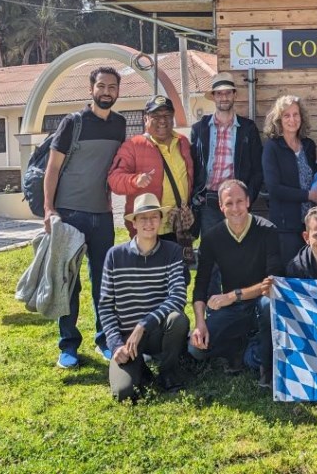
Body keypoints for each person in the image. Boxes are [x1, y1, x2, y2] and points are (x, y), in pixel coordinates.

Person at [42, 65, 126, 368]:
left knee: (104, 282)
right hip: (70, 214)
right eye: (101, 86)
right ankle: (68, 345)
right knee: (69, 282)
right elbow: (52, 169)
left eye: (112, 87)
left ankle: (105, 339)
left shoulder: (119, 125)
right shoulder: (72, 123)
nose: (106, 92)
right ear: (91, 89)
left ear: (118, 91)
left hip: (103, 215)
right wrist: (49, 209)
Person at [98, 194, 189, 402]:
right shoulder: (114, 255)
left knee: (178, 319)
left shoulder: (173, 252)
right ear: (134, 223)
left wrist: (143, 325)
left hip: (157, 332)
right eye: (143, 218)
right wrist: (115, 345)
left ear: (160, 220)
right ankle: (140, 369)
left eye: (154, 217)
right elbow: (105, 306)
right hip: (126, 339)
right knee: (123, 393)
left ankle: (168, 373)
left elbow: (178, 296)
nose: (149, 223)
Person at [189, 179, 278, 387]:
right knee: (196, 349)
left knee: (267, 305)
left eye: (239, 201)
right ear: (221, 206)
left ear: (248, 201)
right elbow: (201, 284)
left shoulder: (268, 230)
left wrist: (232, 295)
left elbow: (272, 282)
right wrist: (200, 323)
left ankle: (263, 363)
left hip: (259, 303)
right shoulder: (212, 238)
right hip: (235, 309)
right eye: (229, 203)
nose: (235, 208)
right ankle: (241, 345)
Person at [108, 96, 194, 251]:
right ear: (145, 119)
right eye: (155, 116)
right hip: (148, 228)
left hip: (178, 225)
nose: (162, 121)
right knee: (149, 273)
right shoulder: (132, 146)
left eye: (167, 115)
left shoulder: (183, 142)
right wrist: (135, 180)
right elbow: (114, 180)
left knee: (179, 273)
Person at [190, 73, 263, 239]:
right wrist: (195, 196)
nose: (224, 97)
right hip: (208, 202)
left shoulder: (248, 128)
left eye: (228, 93)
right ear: (214, 97)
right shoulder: (199, 129)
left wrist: (248, 198)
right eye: (219, 93)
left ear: (234, 95)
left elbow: (258, 170)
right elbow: (192, 166)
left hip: (237, 202)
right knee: (210, 254)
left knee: (238, 250)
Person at [262, 94, 317, 267]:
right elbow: (274, 188)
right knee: (289, 273)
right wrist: (309, 195)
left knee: (310, 275)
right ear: (278, 120)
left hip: (310, 225)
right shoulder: (272, 147)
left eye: (295, 114)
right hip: (286, 225)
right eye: (286, 115)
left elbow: (312, 178)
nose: (292, 119)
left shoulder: (308, 145)